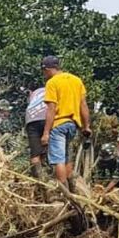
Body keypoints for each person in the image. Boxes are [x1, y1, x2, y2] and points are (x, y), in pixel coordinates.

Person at [40, 55, 90, 190]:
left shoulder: (52, 83)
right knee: (67, 158)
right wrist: (86, 126)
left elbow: (51, 109)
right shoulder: (76, 80)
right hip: (73, 125)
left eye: (43, 71)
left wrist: (45, 133)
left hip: (58, 124)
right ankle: (72, 188)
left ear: (47, 69)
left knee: (58, 160)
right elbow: (83, 105)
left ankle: (64, 193)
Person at [23, 85, 48, 178]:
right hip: (46, 117)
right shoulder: (52, 88)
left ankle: (39, 180)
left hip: (31, 119)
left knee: (35, 155)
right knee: (51, 149)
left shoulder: (33, 94)